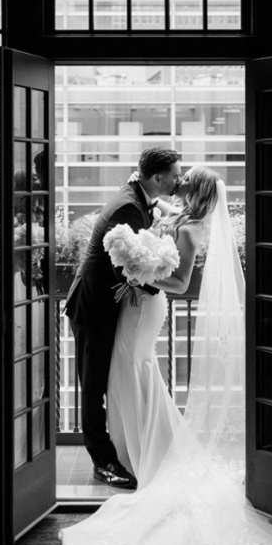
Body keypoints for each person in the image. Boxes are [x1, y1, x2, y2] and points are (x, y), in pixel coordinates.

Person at [56, 166, 272, 545]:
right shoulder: (173, 213)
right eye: (179, 178)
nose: (180, 185)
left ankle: (148, 452)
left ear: (199, 190)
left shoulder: (191, 228)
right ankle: (134, 447)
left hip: (148, 303)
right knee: (126, 375)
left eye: (187, 180)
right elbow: (152, 207)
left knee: (135, 370)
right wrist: (136, 258)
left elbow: (182, 281)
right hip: (136, 300)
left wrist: (140, 276)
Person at [64, 147, 182, 490]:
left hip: (107, 304)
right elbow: (125, 265)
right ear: (157, 177)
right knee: (93, 383)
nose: (179, 179)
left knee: (104, 377)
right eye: (175, 174)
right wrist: (158, 285)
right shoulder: (129, 206)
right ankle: (103, 460)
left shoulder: (139, 196)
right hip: (93, 306)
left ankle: (122, 445)